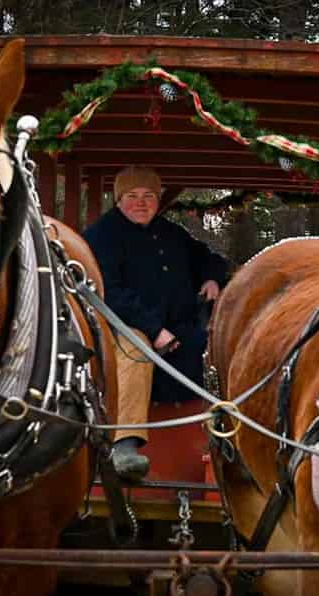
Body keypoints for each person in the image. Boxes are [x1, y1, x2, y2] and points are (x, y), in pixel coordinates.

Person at [83, 166, 229, 480]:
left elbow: (210, 258)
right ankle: (125, 444)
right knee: (138, 351)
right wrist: (154, 330)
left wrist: (212, 278)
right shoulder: (101, 236)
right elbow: (109, 293)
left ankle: (228, 438)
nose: (141, 202)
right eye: (132, 196)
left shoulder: (170, 233)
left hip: (179, 327)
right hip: (120, 326)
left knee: (222, 348)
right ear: (119, 200)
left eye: (149, 196)